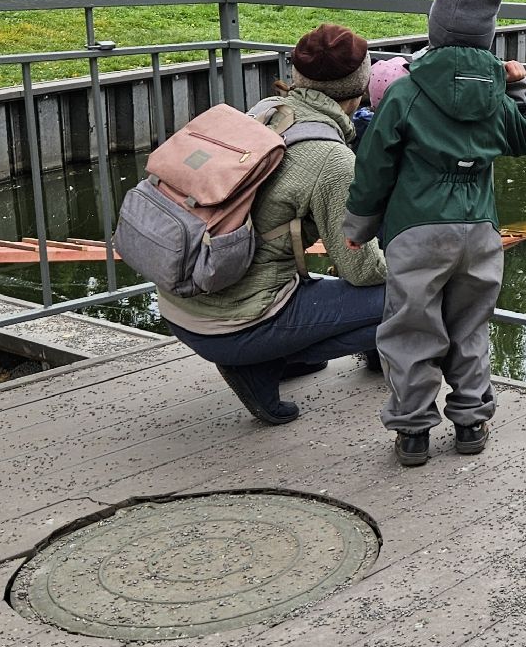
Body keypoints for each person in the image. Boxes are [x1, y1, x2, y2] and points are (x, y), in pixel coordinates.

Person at [342, 0, 526, 466]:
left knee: (411, 328)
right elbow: (524, 140)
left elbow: (375, 162)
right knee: (470, 325)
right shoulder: (496, 92)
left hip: (416, 227)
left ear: (434, 26)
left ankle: (412, 433)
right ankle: (471, 422)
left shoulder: (406, 90)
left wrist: (359, 225)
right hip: (479, 229)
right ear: (487, 36)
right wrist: (519, 88)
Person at [158, 23, 390, 425]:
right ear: (361, 87)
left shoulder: (267, 111)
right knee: (415, 297)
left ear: (297, 74)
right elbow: (362, 270)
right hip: (234, 324)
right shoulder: (331, 160)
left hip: (181, 303)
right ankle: (257, 363)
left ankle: (272, 356)